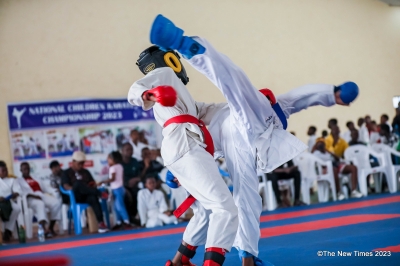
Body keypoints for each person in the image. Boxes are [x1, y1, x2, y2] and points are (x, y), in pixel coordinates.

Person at [149, 14, 360, 266]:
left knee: (247, 199)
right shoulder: (226, 113)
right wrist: (332, 93)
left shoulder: (252, 112)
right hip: (242, 130)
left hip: (247, 139)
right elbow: (301, 96)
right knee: (235, 84)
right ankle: (185, 44)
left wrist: (332, 95)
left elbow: (300, 98)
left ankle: (247, 257)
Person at [129, 18, 239, 265]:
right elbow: (135, 89)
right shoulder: (164, 73)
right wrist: (149, 93)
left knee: (204, 210)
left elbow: (208, 109)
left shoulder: (182, 98)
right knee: (224, 207)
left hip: (181, 148)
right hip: (186, 147)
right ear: (169, 58)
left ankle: (179, 260)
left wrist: (247, 104)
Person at [61, 151, 109, 233]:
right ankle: (99, 194)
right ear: (73, 162)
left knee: (93, 198)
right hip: (74, 196)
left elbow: (92, 183)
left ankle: (101, 223)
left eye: (82, 163)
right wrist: (78, 187)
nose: (81, 166)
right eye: (79, 163)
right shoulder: (66, 173)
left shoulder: (86, 172)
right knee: (78, 184)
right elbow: (66, 187)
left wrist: (92, 185)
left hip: (86, 195)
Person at [17, 162, 61, 237]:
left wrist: (55, 191)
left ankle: (50, 228)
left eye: (28, 169)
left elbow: (46, 188)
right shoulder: (18, 181)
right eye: (24, 169)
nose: (26, 170)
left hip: (41, 195)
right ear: (21, 170)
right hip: (29, 199)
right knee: (40, 203)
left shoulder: (35, 178)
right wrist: (34, 196)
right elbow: (20, 193)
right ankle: (42, 229)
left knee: (56, 202)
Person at [98, 151, 132, 229]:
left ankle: (126, 221)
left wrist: (103, 181)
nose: (107, 161)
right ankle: (119, 222)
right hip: (120, 188)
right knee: (117, 206)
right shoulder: (120, 166)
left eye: (109, 159)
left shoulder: (113, 168)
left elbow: (112, 178)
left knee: (119, 206)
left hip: (117, 189)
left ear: (113, 159)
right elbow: (121, 178)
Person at [0, 164, 22, 243]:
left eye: (6, 170)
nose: (6, 172)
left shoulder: (12, 180)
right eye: (3, 171)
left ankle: (8, 231)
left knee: (16, 208)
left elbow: (18, 191)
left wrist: (13, 195)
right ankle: (1, 232)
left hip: (9, 201)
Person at [120, 143, 141, 224]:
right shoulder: (119, 163)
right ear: (122, 151)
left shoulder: (134, 161)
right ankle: (127, 220)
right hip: (123, 187)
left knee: (139, 193)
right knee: (126, 196)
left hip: (135, 186)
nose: (130, 151)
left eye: (131, 149)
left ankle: (136, 217)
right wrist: (126, 184)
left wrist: (136, 179)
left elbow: (139, 176)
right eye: (127, 149)